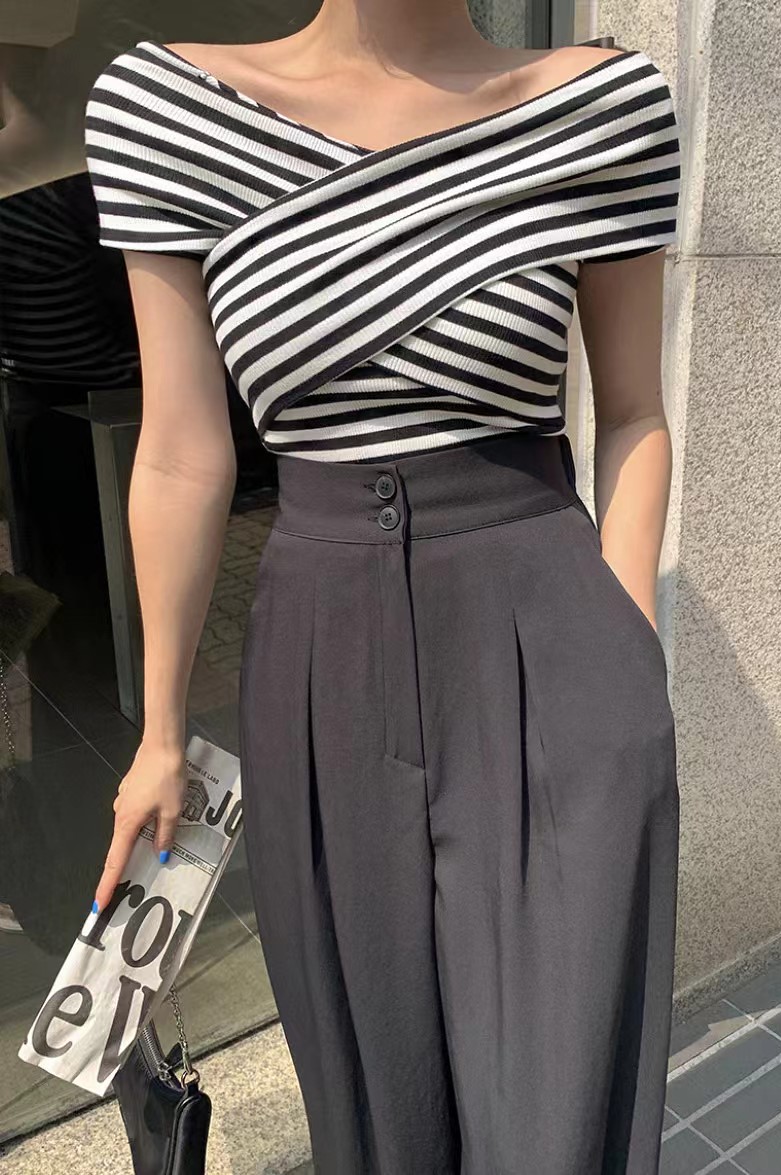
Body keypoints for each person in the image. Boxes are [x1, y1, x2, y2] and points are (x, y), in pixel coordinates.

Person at [84, 2, 682, 1171]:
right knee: (375, 1103)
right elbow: (182, 452)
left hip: (546, 639)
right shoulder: (166, 111)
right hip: (323, 658)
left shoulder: (600, 105)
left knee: (560, 1107)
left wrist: (626, 664)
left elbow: (632, 413)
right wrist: (158, 735)